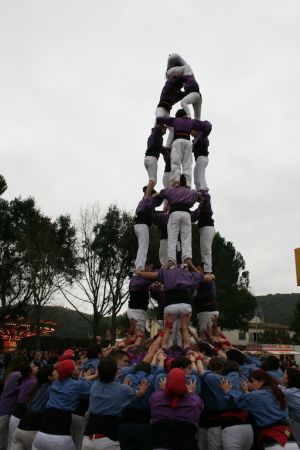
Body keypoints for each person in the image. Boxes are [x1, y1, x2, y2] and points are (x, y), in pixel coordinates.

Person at [220, 369, 298, 449]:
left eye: (252, 381)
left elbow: (241, 400)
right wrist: (246, 392)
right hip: (289, 437)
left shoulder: (259, 395)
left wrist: (228, 391)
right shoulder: (278, 392)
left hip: (273, 441)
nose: (250, 384)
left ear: (261, 381)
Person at [82, 356, 149, 450]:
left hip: (87, 440)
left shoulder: (94, 385)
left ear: (99, 372)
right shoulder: (123, 390)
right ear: (116, 371)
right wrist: (142, 390)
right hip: (108, 440)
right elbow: (138, 394)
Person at [32, 359, 94, 450]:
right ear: (71, 371)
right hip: (60, 437)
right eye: (75, 366)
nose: (78, 367)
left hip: (40, 435)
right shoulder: (77, 385)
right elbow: (94, 388)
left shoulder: (55, 382)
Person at [149, 367, 203, 450]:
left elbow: (153, 401)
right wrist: (192, 393)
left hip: (160, 445)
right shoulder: (194, 401)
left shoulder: (156, 397)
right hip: (186, 445)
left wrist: (163, 390)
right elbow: (200, 407)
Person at [154, 177, 203, 266]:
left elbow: (160, 194)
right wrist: (199, 198)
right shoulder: (192, 192)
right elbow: (201, 198)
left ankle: (172, 260)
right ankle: (187, 261)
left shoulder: (172, 190)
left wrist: (150, 196)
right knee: (186, 239)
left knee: (172, 238)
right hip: (186, 214)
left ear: (179, 182)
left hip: (175, 213)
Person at [157, 109, 212, 187]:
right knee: (187, 164)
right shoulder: (191, 122)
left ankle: (176, 181)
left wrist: (159, 124)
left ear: (178, 116)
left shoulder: (175, 120)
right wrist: (201, 136)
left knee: (175, 162)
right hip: (188, 143)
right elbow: (208, 126)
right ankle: (188, 184)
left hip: (177, 141)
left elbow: (159, 119)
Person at [11, 365, 54, 450]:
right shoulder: (50, 389)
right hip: (33, 430)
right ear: (49, 377)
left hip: (20, 428)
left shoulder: (35, 388)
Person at [134, 187, 162, 271]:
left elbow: (153, 213)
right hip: (143, 225)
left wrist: (163, 212)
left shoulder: (142, 201)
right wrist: (158, 196)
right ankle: (139, 268)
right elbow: (152, 207)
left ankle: (138, 266)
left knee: (141, 247)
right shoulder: (148, 200)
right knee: (143, 247)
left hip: (138, 225)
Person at [0, 356, 24, 450]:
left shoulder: (10, 374)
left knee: (4, 436)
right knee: (4, 435)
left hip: (3, 405)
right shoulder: (18, 375)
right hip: (7, 408)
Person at [127, 265, 154, 334]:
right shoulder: (141, 280)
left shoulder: (133, 279)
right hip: (138, 312)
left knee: (133, 334)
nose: (151, 269)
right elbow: (154, 277)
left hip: (132, 310)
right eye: (150, 267)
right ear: (145, 267)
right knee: (139, 336)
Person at [144, 124, 166, 197]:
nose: (165, 132)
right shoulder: (156, 133)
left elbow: (161, 149)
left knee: (152, 179)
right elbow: (159, 123)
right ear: (161, 128)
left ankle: (147, 194)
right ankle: (146, 197)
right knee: (153, 180)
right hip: (152, 158)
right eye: (165, 129)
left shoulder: (154, 137)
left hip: (147, 158)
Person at [281, 368, 300, 447]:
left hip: (296, 423)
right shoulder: (294, 390)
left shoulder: (288, 393)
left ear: (289, 378)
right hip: (296, 421)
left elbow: (274, 391)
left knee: (296, 442)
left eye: (285, 374)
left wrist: (247, 392)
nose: (282, 375)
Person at [197, 191, 215, 273]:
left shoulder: (206, 203)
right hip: (203, 228)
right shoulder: (200, 207)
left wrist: (195, 193)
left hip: (208, 227)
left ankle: (208, 271)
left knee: (206, 249)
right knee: (204, 250)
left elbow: (206, 195)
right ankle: (204, 269)